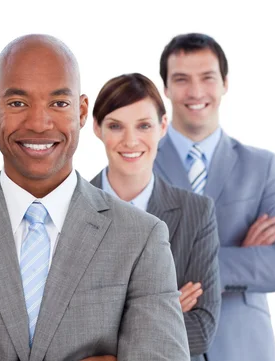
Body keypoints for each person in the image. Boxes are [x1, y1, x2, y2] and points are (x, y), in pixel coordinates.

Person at [0, 34, 189, 361]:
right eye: (18, 103)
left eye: (59, 103)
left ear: (82, 111)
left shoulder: (141, 237)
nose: (38, 122)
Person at [154, 33, 275, 361]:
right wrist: (242, 258)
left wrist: (193, 267)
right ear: (165, 89)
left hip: (245, 347)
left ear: (225, 83)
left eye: (207, 78)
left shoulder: (262, 166)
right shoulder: (138, 169)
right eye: (181, 79)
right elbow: (129, 268)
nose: (195, 92)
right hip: (168, 345)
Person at [89, 73, 221, 361]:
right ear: (97, 128)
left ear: (163, 126)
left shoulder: (196, 213)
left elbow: (202, 328)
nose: (131, 140)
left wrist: (106, 335)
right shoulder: (68, 209)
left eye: (144, 125)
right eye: (115, 126)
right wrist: (163, 312)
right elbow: (57, 329)